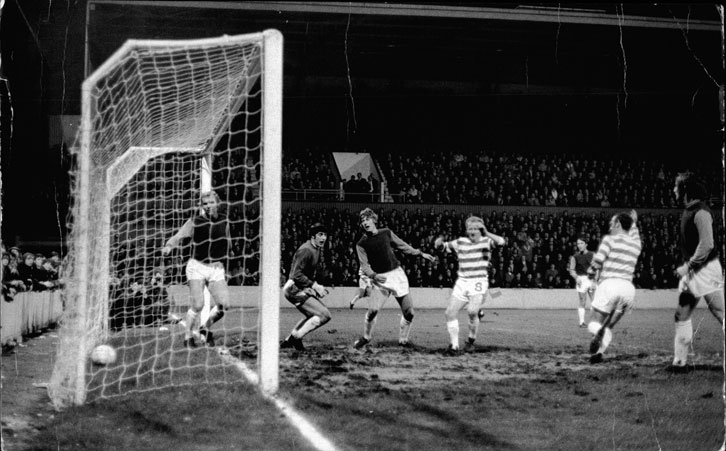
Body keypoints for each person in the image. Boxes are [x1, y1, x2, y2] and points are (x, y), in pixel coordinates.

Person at [353, 208, 436, 349]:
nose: (365, 222)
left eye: (367, 219)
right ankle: (366, 337)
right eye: (362, 221)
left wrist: (420, 253)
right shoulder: (361, 244)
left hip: (397, 276)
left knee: (409, 313)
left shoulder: (386, 232)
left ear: (374, 220)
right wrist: (374, 275)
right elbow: (364, 266)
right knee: (372, 311)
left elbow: (403, 246)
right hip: (380, 280)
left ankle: (403, 341)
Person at [670, 172, 724, 371]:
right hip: (696, 271)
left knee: (720, 313)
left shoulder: (701, 212)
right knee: (682, 314)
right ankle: (679, 363)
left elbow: (707, 244)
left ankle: (680, 362)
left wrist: (688, 266)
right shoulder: (690, 210)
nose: (674, 190)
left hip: (706, 270)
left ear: (685, 189)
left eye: (677, 187)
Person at [162, 190, 231, 348]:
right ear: (201, 205)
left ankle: (204, 329)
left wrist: (229, 255)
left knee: (224, 305)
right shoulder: (195, 221)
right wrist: (169, 246)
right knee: (198, 305)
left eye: (211, 202)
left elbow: (228, 240)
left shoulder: (224, 221)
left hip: (216, 267)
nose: (208, 206)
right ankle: (187, 338)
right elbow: (178, 236)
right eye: (205, 203)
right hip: (197, 267)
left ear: (217, 204)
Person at [434, 216, 505, 354]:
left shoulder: (486, 241)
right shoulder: (460, 242)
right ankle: (454, 346)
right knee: (449, 313)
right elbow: (442, 248)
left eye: (475, 228)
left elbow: (501, 242)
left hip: (478, 281)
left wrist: (487, 232)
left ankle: (471, 340)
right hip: (462, 282)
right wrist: (438, 244)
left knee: (472, 311)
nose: (472, 231)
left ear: (480, 230)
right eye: (469, 228)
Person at [586, 210, 641, 364]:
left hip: (610, 284)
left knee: (594, 322)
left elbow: (598, 261)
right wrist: (634, 221)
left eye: (612, 222)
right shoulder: (636, 243)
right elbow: (634, 232)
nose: (610, 225)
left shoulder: (610, 240)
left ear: (617, 224)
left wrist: (590, 273)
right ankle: (599, 352)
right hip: (628, 289)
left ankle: (600, 334)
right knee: (609, 324)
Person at [280, 223, 332, 351]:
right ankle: (296, 338)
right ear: (313, 236)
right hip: (293, 289)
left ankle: (288, 341)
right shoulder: (306, 250)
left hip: (299, 288)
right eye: (320, 234)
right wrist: (314, 285)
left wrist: (314, 287)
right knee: (324, 315)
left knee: (313, 315)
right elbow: (296, 274)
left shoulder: (317, 249)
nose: (323, 238)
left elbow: (306, 273)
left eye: (325, 235)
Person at [568, 235, 595, 327]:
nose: (579, 245)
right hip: (581, 280)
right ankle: (582, 322)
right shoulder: (575, 257)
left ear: (586, 244)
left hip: (591, 279)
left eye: (581, 243)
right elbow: (571, 270)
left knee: (595, 301)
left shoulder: (592, 255)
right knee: (582, 301)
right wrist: (576, 278)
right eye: (578, 244)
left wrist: (595, 280)